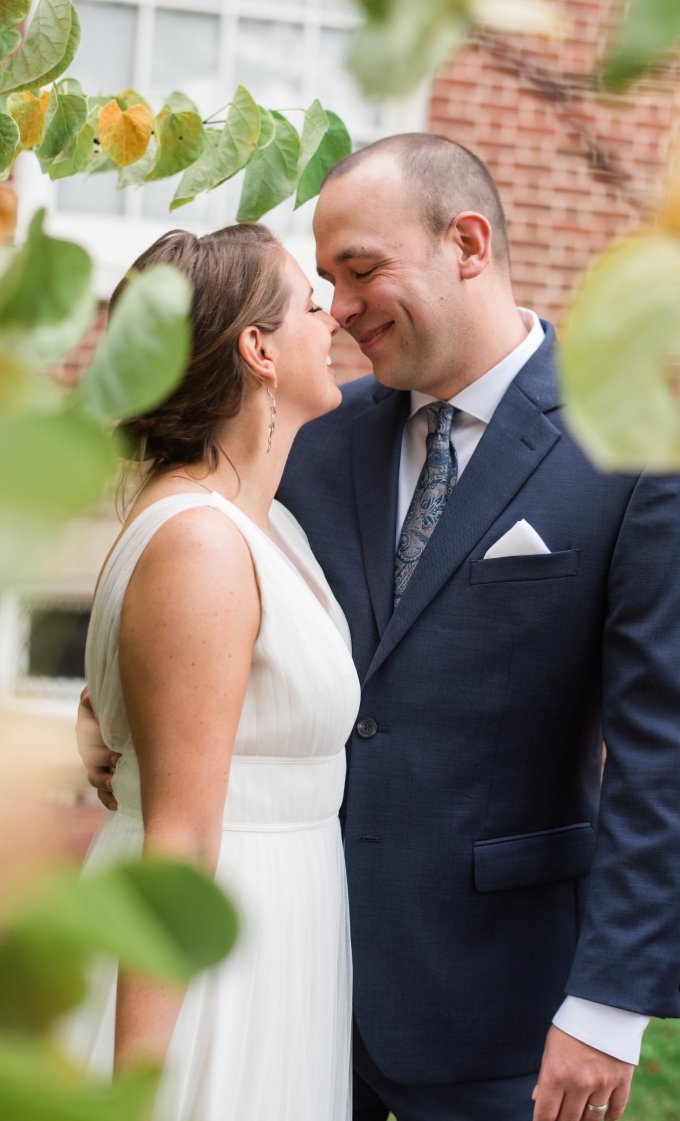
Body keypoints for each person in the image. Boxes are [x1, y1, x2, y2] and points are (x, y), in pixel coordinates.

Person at [80, 133, 680, 1121]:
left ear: (468, 243)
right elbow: (199, 601)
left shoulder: (639, 439)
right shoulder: (312, 434)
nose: (338, 309)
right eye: (325, 281)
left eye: (360, 270)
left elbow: (672, 749)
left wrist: (609, 1005)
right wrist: (110, 710)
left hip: (496, 1005)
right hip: (287, 982)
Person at [65, 223, 358, 1119]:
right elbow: (182, 843)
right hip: (219, 942)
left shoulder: (264, 524)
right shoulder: (202, 539)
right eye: (312, 302)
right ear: (258, 349)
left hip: (288, 922)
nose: (334, 318)